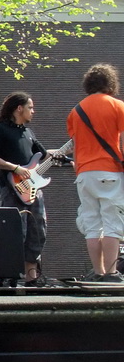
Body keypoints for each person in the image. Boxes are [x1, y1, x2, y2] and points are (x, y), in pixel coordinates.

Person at [0, 92, 68, 283]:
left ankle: (31, 277)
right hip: (11, 189)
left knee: (38, 231)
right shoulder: (0, 130)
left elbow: (44, 155)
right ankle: (11, 276)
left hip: (33, 190)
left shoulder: (28, 133)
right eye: (30, 107)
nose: (33, 111)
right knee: (16, 232)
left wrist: (67, 152)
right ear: (19, 108)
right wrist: (16, 168)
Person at [67, 63, 124, 282]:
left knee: (92, 224)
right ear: (111, 83)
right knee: (112, 223)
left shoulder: (76, 111)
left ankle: (98, 272)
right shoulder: (117, 106)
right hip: (109, 170)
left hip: (84, 173)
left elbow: (76, 143)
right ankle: (111, 273)